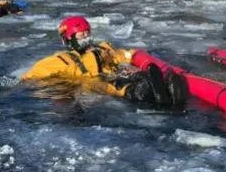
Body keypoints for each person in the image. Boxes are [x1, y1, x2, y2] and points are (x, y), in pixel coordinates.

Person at [22, 16, 187, 107]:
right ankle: (142, 93)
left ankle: (169, 90)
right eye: (81, 36)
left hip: (114, 75)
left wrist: (133, 55)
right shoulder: (60, 60)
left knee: (146, 76)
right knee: (122, 86)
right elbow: (32, 76)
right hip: (92, 84)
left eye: (87, 34)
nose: (86, 39)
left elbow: (119, 55)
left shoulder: (102, 49)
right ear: (69, 39)